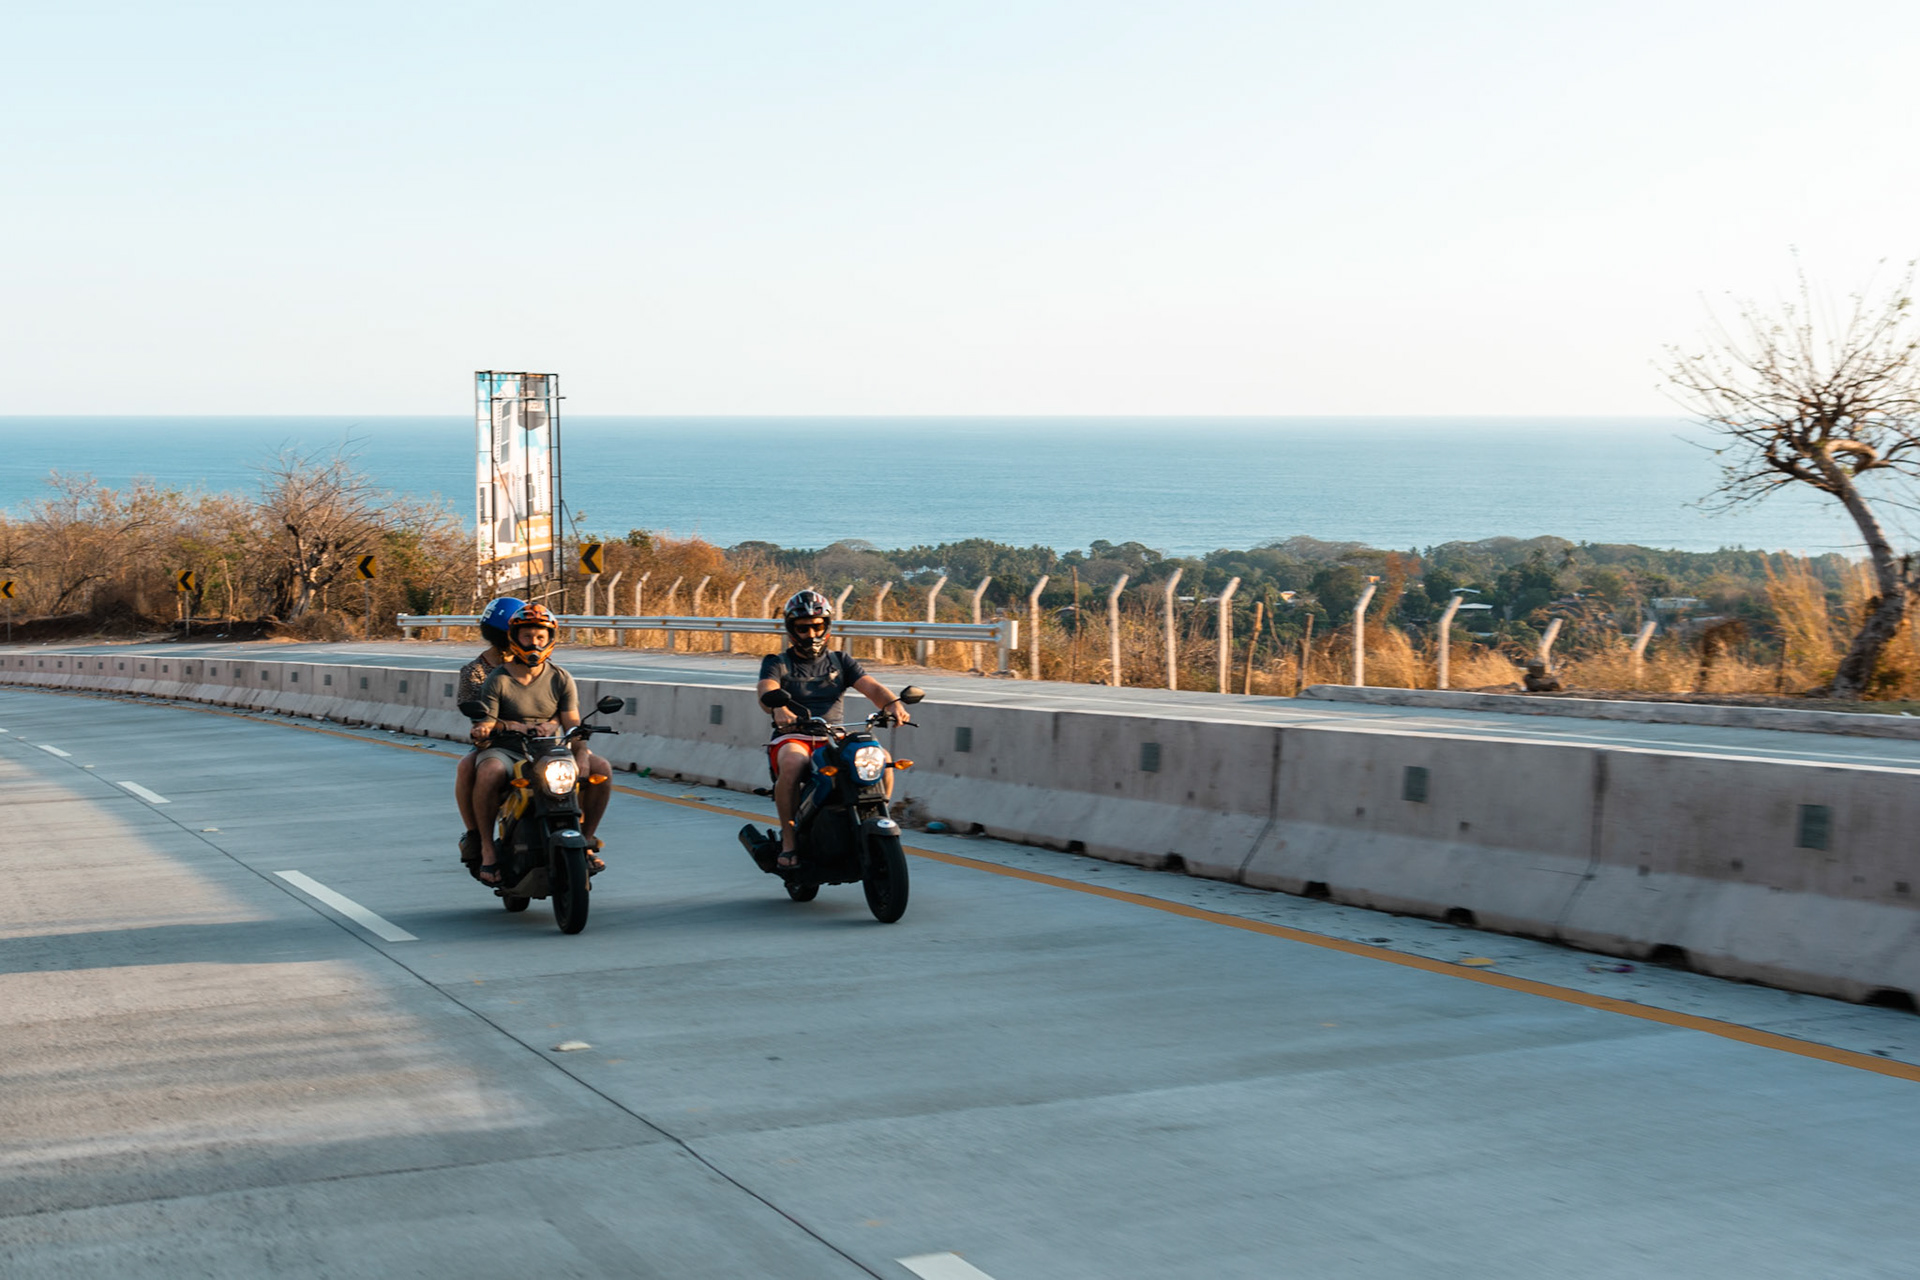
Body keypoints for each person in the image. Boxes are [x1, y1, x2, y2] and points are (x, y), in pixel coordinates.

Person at [757, 589, 911, 869]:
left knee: (881, 758)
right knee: (793, 762)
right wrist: (778, 707)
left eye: (817, 626)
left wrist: (892, 704)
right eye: (803, 628)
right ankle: (789, 841)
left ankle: (875, 817)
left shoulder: (841, 661)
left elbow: (871, 687)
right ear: (792, 630)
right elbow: (767, 688)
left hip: (833, 736)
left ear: (827, 626)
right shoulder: (777, 662)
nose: (811, 634)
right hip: (794, 736)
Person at [469, 604, 614, 886]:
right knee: (488, 772)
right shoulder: (497, 679)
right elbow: (487, 723)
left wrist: (581, 754)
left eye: (539, 637)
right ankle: (487, 848)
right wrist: (499, 727)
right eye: (527, 637)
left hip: (551, 749)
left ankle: (586, 839)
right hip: (508, 749)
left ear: (549, 639)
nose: (533, 643)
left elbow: (572, 724)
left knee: (603, 769)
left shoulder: (561, 677)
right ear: (514, 637)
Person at [454, 596, 525, 868]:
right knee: (466, 767)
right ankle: (479, 838)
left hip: (539, 741)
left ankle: (584, 839)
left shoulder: (535, 663)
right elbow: (475, 716)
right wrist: (486, 729)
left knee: (588, 769)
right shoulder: (475, 672)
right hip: (496, 743)